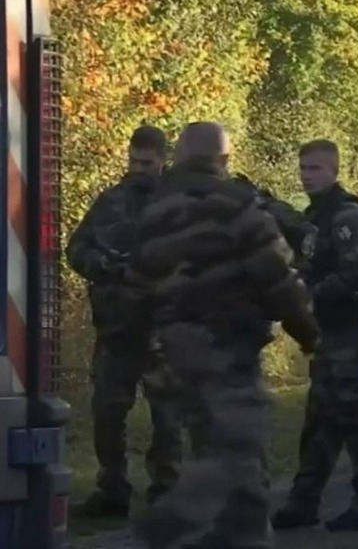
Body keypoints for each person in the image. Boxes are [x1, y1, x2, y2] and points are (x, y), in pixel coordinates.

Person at [130, 121, 321, 549]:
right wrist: (310, 334)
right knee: (239, 450)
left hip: (173, 350)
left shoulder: (153, 209)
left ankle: (237, 537)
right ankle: (172, 521)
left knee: (217, 449)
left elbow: (137, 285)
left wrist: (147, 348)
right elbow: (277, 278)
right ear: (224, 159)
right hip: (226, 347)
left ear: (178, 156)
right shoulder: (237, 204)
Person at [272, 139, 358, 533]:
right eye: (303, 168)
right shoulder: (316, 217)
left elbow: (353, 275)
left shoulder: (347, 217)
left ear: (335, 171)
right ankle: (304, 501)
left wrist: (305, 294)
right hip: (329, 335)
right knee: (321, 419)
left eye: (315, 169)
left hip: (352, 334)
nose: (307, 175)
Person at [66, 125, 183, 517]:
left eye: (146, 163)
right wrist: (103, 264)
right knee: (107, 412)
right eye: (133, 161)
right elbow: (76, 248)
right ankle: (112, 488)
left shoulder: (178, 204)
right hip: (117, 329)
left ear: (162, 161)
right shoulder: (111, 202)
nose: (138, 169)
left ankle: (167, 487)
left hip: (163, 329)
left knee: (167, 415)